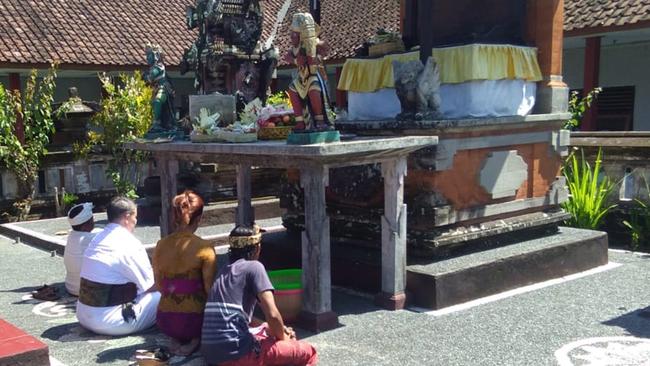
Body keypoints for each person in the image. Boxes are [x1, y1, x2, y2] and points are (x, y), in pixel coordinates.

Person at [201, 225, 318, 366]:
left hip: (211, 355)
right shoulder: (254, 267)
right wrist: (285, 339)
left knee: (265, 334)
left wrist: (267, 326)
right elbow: (273, 314)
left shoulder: (223, 272)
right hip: (237, 355)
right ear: (257, 248)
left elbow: (236, 316)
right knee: (307, 351)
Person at [76, 196, 160, 336]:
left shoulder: (97, 239)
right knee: (164, 294)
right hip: (109, 322)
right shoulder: (129, 243)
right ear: (127, 217)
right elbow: (151, 285)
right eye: (135, 217)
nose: (136, 222)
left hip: (83, 315)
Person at [152, 190, 216, 355]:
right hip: (195, 321)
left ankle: (175, 338)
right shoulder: (205, 247)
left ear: (174, 217)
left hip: (166, 320)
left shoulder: (160, 245)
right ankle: (195, 339)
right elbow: (210, 291)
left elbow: (159, 286)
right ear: (199, 218)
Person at [63, 202, 101, 296]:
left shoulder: (71, 236)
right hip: (86, 290)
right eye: (92, 220)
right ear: (85, 225)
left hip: (70, 287)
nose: (94, 222)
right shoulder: (93, 238)